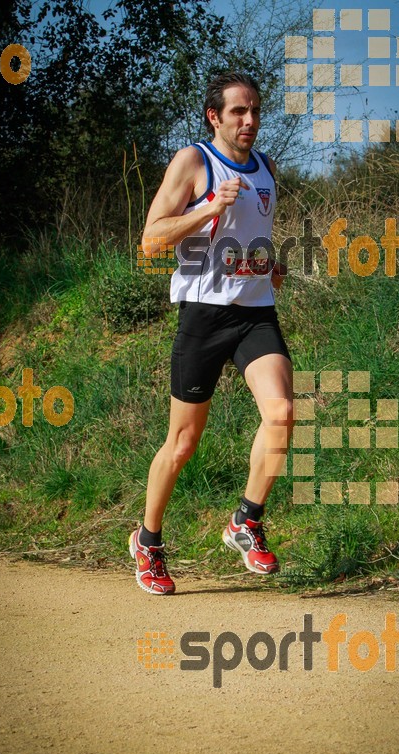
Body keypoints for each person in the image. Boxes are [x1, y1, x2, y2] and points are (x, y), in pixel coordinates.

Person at [129, 72, 294, 595]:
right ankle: (148, 541)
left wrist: (271, 262)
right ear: (214, 117)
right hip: (203, 315)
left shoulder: (267, 167)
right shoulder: (193, 161)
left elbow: (252, 232)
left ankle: (245, 520)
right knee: (182, 443)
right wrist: (207, 208)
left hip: (254, 313)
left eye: (255, 111)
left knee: (283, 414)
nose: (249, 121)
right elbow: (151, 238)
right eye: (238, 112)